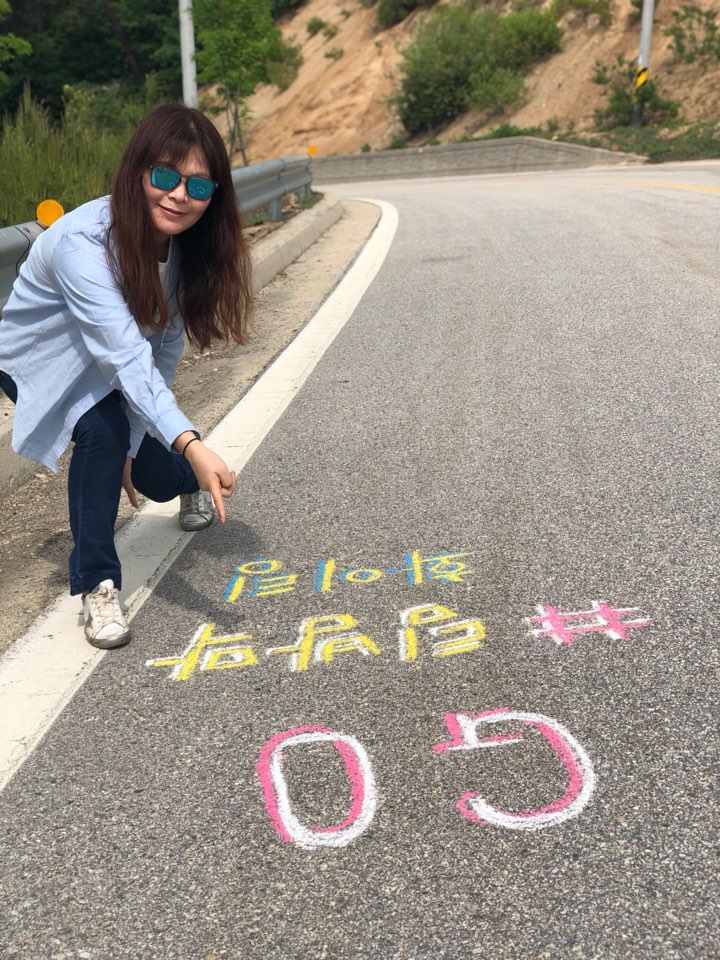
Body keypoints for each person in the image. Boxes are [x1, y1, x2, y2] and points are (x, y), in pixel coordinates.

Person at [0, 103, 253, 650]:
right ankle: (98, 583)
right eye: (165, 176)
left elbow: (160, 352)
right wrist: (192, 441)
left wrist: (147, 446)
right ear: (137, 171)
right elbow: (125, 358)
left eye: (198, 186)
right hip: (38, 358)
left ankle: (188, 484)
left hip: (112, 359)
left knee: (148, 469)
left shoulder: (183, 250)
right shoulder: (83, 241)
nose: (179, 195)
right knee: (102, 430)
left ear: (213, 196)